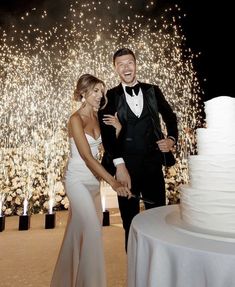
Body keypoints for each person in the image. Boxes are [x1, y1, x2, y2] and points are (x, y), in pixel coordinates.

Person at [51, 74, 131, 287]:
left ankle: (64, 282)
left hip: (94, 183)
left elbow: (112, 150)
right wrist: (113, 183)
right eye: (95, 91)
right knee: (94, 231)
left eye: (102, 91)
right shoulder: (75, 119)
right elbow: (87, 157)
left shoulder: (100, 117)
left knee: (77, 233)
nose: (100, 95)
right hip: (76, 181)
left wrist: (119, 129)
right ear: (83, 93)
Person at [98, 48, 178, 250]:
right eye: (121, 64)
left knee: (159, 218)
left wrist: (171, 139)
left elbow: (170, 117)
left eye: (130, 63)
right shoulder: (110, 96)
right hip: (126, 169)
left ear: (136, 64)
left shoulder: (153, 90)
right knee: (129, 222)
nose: (126, 67)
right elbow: (107, 136)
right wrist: (119, 166)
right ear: (115, 68)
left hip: (153, 166)